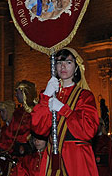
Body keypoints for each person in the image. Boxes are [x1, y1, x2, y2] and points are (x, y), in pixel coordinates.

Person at [31, 47, 99, 176]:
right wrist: (46, 97)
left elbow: (88, 130)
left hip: (76, 158)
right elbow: (38, 128)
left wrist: (63, 109)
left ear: (76, 67)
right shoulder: (50, 94)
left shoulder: (84, 96)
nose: (63, 66)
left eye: (68, 62)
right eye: (59, 62)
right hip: (52, 155)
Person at [0, 80, 36, 157]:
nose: (16, 95)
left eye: (17, 92)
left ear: (24, 93)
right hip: (17, 152)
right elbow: (10, 133)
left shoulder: (36, 110)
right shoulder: (17, 112)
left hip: (33, 150)